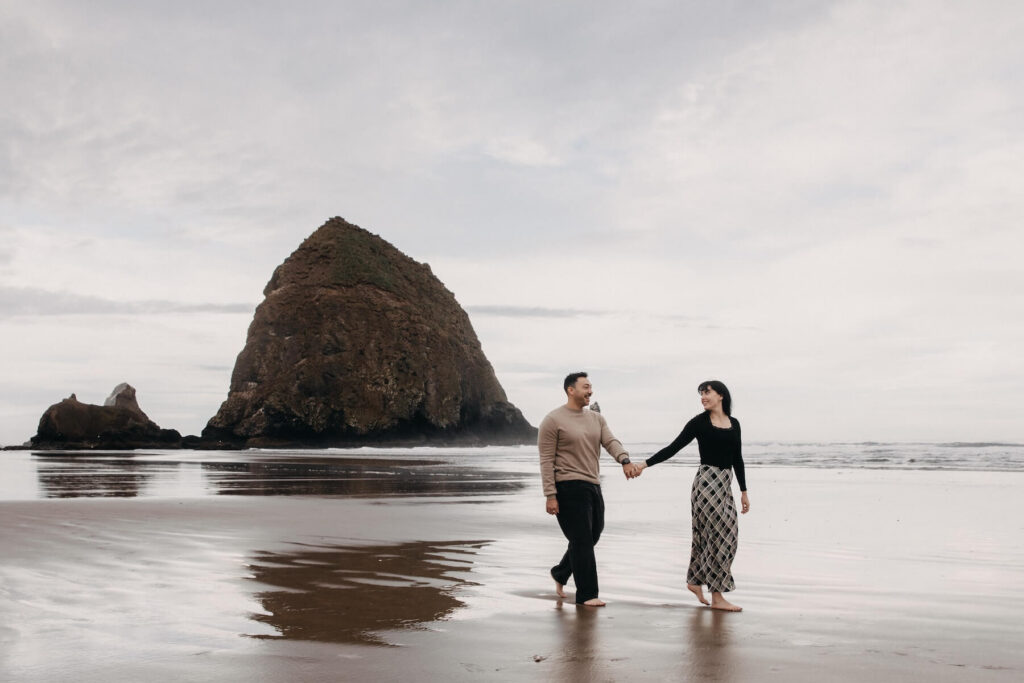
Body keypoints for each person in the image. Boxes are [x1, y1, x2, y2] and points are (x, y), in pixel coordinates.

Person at [632, 380, 750, 612]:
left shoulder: (734, 424)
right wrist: (644, 465)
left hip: (725, 485)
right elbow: (673, 448)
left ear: (721, 396)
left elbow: (738, 458)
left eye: (707, 393)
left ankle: (695, 581)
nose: (703, 397)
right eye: (701, 394)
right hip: (706, 485)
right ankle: (717, 597)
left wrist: (744, 491)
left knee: (726, 536)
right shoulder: (699, 423)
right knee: (717, 536)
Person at [539, 372, 637, 606]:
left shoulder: (596, 419)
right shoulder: (553, 420)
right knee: (582, 540)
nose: (590, 391)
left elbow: (611, 441)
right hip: (567, 486)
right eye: (585, 387)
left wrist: (624, 460)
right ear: (570, 390)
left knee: (592, 535)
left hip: (592, 484)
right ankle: (587, 595)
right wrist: (550, 495)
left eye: (591, 386)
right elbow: (546, 460)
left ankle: (561, 573)